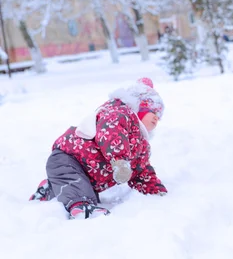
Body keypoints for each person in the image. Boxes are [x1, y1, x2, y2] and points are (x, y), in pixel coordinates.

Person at [29, 77, 168, 219]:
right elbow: (111, 133)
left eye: (159, 115)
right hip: (68, 159)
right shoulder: (119, 113)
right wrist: (120, 161)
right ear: (140, 105)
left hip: (87, 174)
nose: (157, 118)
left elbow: (141, 170)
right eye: (153, 112)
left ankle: (50, 188)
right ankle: (82, 207)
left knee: (80, 186)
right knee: (80, 190)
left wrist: (156, 190)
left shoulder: (141, 145)